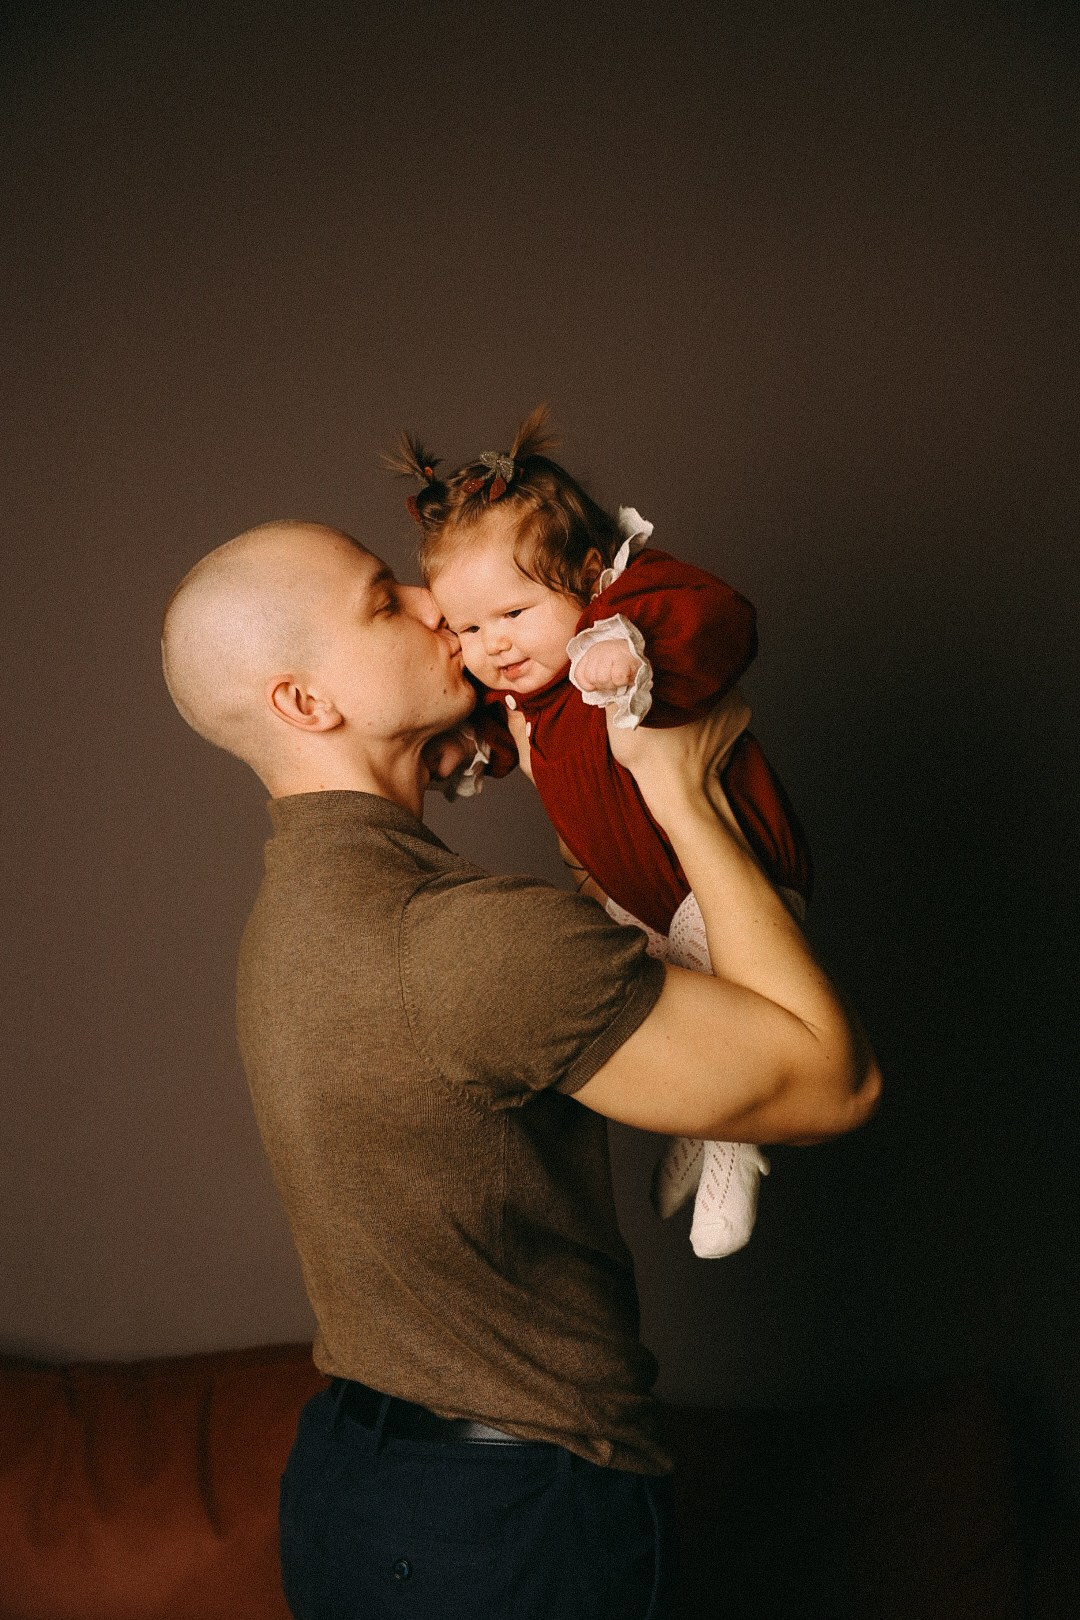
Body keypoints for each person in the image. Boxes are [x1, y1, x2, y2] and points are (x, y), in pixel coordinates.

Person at [160, 517, 880, 1620]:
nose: (433, 603)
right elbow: (832, 1084)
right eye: (382, 600)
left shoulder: (292, 921)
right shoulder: (456, 942)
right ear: (306, 704)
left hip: (359, 1491)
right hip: (511, 1525)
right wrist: (678, 791)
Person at [390, 406, 811, 1258]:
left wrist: (631, 648)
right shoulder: (528, 685)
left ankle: (737, 1141)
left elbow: (723, 618)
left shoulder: (624, 618)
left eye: (511, 613)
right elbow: (528, 735)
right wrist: (470, 747)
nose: (494, 646)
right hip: (642, 895)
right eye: (468, 628)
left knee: (738, 1022)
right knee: (659, 1005)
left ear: (587, 578)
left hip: (732, 874)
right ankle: (697, 1122)